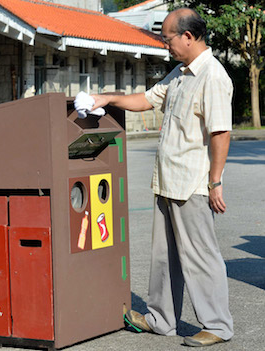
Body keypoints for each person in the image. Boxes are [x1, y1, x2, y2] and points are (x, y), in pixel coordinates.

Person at [90, 8, 233, 347]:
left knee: (200, 256)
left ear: (188, 36)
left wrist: (215, 181)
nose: (165, 45)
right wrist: (108, 98)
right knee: (163, 256)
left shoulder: (212, 75)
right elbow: (147, 99)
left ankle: (217, 325)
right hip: (168, 181)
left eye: (168, 39)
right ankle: (161, 319)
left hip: (193, 185)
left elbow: (220, 133)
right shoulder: (181, 73)